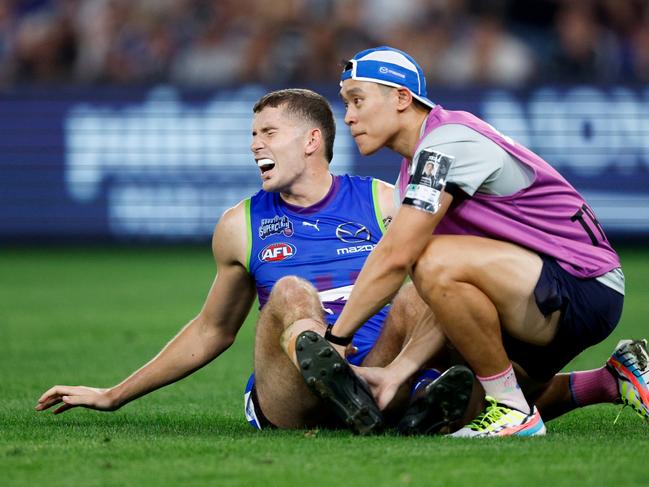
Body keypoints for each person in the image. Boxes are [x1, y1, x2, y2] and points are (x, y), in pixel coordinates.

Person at [34, 88, 473, 434]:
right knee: (290, 291)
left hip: (379, 369)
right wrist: (114, 395)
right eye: (252, 134)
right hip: (291, 395)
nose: (254, 145)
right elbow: (212, 330)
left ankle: (390, 395)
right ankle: (399, 400)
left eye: (268, 133)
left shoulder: (383, 201)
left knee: (427, 286)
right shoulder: (239, 225)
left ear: (311, 141)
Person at [309, 46, 648, 437]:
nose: (349, 116)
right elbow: (446, 296)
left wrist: (337, 338)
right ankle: (614, 378)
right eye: (346, 103)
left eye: (358, 100)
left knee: (427, 258)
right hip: (542, 288)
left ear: (402, 98)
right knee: (461, 412)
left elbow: (400, 257)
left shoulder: (445, 143)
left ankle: (511, 409)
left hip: (581, 283)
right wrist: (394, 373)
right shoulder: (419, 165)